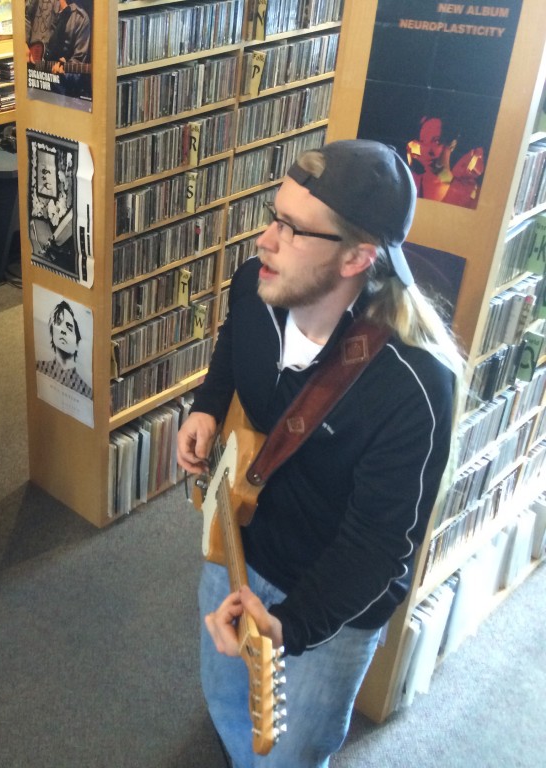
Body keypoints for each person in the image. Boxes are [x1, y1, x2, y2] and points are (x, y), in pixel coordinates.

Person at [175, 140, 464, 767]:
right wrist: (206, 403)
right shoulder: (257, 286)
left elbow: (377, 550)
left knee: (288, 753)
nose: (264, 241)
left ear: (359, 256)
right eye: (273, 214)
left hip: (323, 603)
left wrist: (289, 628)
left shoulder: (411, 389)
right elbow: (232, 348)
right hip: (235, 547)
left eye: (292, 229)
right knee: (226, 708)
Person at [406, 115, 485, 208]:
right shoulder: (410, 183)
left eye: (436, 141)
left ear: (452, 144)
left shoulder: (469, 194)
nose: (428, 151)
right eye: (423, 141)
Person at [36, 300, 92, 398]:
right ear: (52, 331)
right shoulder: (38, 367)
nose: (63, 331)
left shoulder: (87, 391)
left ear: (77, 341)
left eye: (69, 328)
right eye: (58, 323)